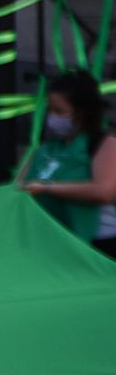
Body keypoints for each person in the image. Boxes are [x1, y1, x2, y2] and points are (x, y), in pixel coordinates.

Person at [21, 71, 116, 256]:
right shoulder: (46, 150)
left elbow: (102, 191)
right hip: (55, 242)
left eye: (60, 111)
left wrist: (46, 187)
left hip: (99, 243)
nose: (53, 118)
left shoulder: (104, 144)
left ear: (82, 112)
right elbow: (19, 186)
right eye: (50, 110)